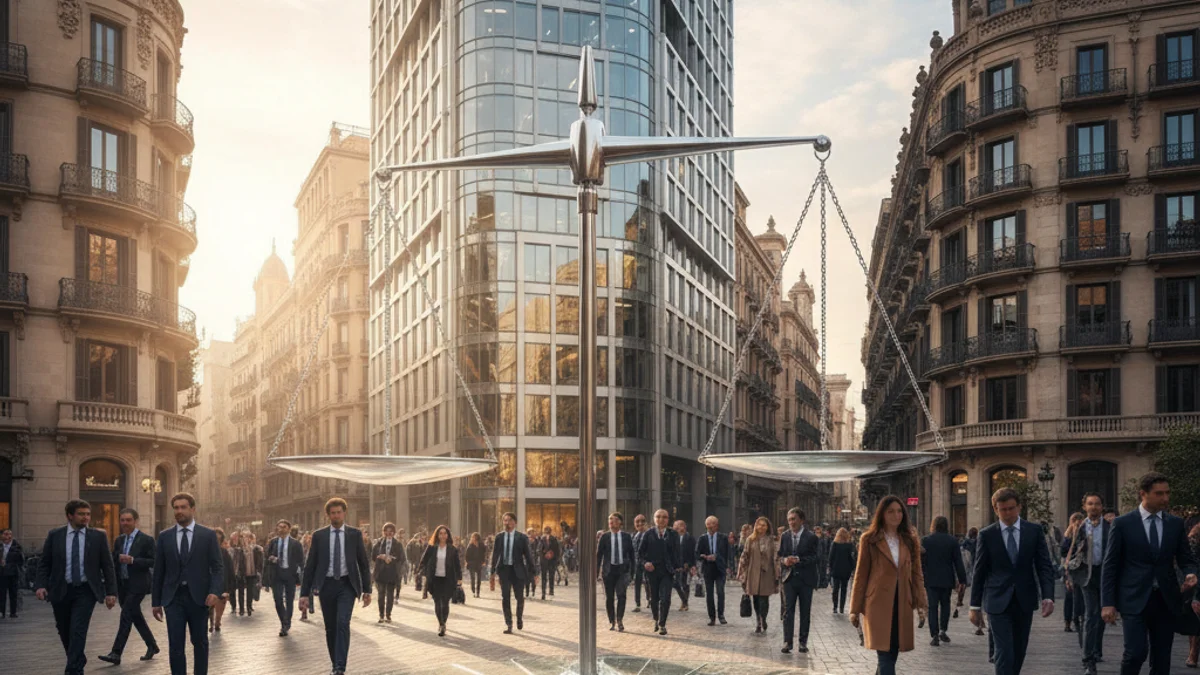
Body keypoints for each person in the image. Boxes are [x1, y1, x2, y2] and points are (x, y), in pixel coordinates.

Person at [1101, 471, 1199, 675]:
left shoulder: (1175, 524)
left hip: (1166, 599)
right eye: (1159, 493)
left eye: (1167, 493)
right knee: (1135, 653)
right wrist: (1107, 603)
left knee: (1162, 658)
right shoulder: (1123, 524)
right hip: (1133, 599)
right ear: (1143, 494)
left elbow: (1186, 558)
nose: (1165, 498)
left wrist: (1190, 572)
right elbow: (1110, 565)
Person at [969, 487, 1056, 675]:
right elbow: (979, 571)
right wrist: (974, 606)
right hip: (997, 600)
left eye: (1011, 508)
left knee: (1018, 651)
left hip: (1024, 599)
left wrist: (1048, 596)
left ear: (1019, 507)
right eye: (1003, 509)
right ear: (995, 509)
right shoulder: (987, 534)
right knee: (1004, 652)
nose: (1007, 513)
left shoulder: (1033, 531)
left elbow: (1044, 566)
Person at [34, 499, 118, 675]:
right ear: (70, 515)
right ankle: (77, 657)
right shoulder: (55, 535)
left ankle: (73, 669)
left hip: (86, 591)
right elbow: (44, 563)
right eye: (81, 514)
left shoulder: (98, 536)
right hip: (60, 589)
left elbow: (107, 565)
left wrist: (111, 592)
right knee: (64, 629)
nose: (86, 517)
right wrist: (41, 585)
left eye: (88, 514)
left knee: (78, 629)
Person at [849, 495, 928, 675]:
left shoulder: (909, 539)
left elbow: (917, 574)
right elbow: (861, 575)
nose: (896, 515)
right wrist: (854, 608)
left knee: (892, 653)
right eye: (891, 511)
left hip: (902, 603)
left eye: (899, 511)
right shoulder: (869, 539)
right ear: (882, 514)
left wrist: (921, 603)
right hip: (877, 603)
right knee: (884, 656)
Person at [150, 492, 223, 675]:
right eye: (176, 508)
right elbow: (159, 571)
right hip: (173, 599)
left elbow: (217, 567)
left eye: (183, 507)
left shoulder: (207, 535)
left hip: (199, 598)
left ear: (192, 509)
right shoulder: (165, 536)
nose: (179, 511)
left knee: (200, 643)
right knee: (175, 646)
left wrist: (215, 591)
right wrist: (155, 601)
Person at [299, 497, 372, 675]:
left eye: (339, 512)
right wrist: (304, 594)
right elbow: (310, 566)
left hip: (347, 585)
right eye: (333, 513)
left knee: (342, 623)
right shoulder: (319, 535)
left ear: (344, 513)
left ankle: (340, 667)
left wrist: (367, 590)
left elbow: (363, 563)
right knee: (330, 627)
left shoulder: (354, 534)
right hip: (326, 586)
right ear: (328, 515)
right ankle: (335, 664)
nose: (336, 516)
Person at [98, 508, 160, 665]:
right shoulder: (119, 540)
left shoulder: (146, 539)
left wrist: (133, 560)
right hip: (123, 585)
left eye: (128, 520)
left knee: (126, 615)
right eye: (122, 520)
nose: (125, 523)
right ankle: (152, 645)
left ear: (135, 521)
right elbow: (113, 562)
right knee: (135, 616)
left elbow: (154, 561)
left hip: (139, 585)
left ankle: (116, 653)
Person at [778, 507, 820, 654]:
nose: (791, 522)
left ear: (801, 520)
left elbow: (816, 557)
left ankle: (803, 642)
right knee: (788, 612)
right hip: (789, 579)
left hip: (806, 580)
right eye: (789, 519)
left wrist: (799, 560)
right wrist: (784, 560)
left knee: (805, 611)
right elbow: (779, 556)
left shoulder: (811, 537)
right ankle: (787, 642)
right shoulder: (784, 536)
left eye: (794, 519)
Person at [921, 515, 966, 646]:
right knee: (945, 605)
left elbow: (921, 561)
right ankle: (943, 630)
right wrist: (962, 579)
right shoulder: (952, 541)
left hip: (931, 579)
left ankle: (934, 634)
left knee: (932, 607)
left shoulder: (926, 540)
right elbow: (958, 562)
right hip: (947, 579)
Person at [491, 512, 535, 634]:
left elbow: (528, 555)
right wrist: (492, 571)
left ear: (515, 522)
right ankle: (509, 623)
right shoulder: (499, 537)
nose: (507, 523)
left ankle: (519, 618)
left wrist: (534, 572)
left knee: (519, 597)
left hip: (518, 572)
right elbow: (495, 555)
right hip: (504, 571)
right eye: (505, 520)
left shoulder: (522, 537)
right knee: (505, 597)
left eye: (509, 520)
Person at [638, 508, 680, 636]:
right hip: (652, 571)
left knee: (665, 598)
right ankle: (656, 618)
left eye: (664, 517)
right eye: (658, 517)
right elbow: (639, 554)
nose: (661, 519)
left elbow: (677, 553)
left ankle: (662, 624)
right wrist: (645, 563)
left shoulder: (673, 534)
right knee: (654, 598)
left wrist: (678, 567)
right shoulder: (648, 534)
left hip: (667, 571)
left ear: (668, 519)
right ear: (654, 519)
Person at [737, 516, 778, 636]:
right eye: (759, 524)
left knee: (764, 599)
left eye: (764, 525)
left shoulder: (772, 540)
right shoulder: (751, 539)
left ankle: (763, 618)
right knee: (755, 598)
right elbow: (745, 555)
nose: (761, 527)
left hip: (767, 573)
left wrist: (777, 573)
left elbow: (776, 557)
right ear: (756, 526)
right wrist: (740, 571)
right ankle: (758, 621)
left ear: (767, 527)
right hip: (753, 572)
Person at [419, 525, 462, 637]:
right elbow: (424, 560)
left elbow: (457, 565)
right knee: (437, 602)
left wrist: (459, 578)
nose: (443, 536)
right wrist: (421, 572)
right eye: (440, 533)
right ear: (437, 535)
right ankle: (441, 624)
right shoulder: (432, 547)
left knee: (445, 603)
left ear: (448, 535)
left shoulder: (452, 549)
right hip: (435, 579)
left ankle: (444, 622)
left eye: (445, 533)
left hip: (448, 579)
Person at [265, 520, 303, 636]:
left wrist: (299, 574)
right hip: (277, 575)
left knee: (290, 600)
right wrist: (271, 558)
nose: (281, 529)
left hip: (290, 575)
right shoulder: (273, 542)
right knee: (278, 599)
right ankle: (284, 621)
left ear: (289, 529)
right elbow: (266, 557)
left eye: (284, 527)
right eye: (279, 527)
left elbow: (301, 561)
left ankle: (286, 623)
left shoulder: (296, 544)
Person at [597, 512, 634, 632]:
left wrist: (631, 573)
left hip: (622, 571)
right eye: (610, 520)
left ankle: (620, 620)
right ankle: (611, 620)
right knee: (609, 597)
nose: (611, 522)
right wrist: (596, 572)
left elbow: (632, 556)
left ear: (620, 522)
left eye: (614, 520)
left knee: (622, 596)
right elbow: (599, 556)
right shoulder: (605, 537)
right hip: (608, 571)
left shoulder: (626, 537)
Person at [696, 515, 730, 625]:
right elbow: (696, 553)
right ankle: (712, 617)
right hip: (708, 569)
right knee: (709, 594)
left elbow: (728, 553)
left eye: (713, 524)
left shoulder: (723, 538)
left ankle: (721, 615)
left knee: (720, 592)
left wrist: (719, 559)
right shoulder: (702, 538)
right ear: (706, 525)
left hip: (720, 568)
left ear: (717, 526)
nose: (711, 526)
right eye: (709, 524)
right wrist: (704, 556)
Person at [372, 523, 405, 624]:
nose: (389, 533)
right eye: (386, 531)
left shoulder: (398, 544)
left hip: (392, 572)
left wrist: (391, 559)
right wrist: (381, 557)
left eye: (391, 531)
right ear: (384, 532)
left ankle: (388, 615)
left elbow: (401, 558)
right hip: (381, 572)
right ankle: (381, 615)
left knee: (390, 595)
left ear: (394, 533)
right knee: (381, 594)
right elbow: (373, 556)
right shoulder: (378, 543)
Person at [1061, 512, 1085, 640]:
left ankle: (1079, 619)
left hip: (1081, 569)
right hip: (1069, 569)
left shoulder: (1084, 534)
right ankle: (1068, 622)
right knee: (1069, 596)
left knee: (1079, 596)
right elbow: (1063, 552)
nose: (1077, 523)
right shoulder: (1068, 535)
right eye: (1075, 520)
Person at [209, 528, 234, 633]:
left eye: (218, 539)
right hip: (209, 582)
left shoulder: (224, 553)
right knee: (210, 605)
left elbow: (230, 569)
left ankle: (217, 621)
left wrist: (229, 587)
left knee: (220, 604)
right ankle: (211, 623)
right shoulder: (205, 552)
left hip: (222, 582)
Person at [233, 532, 262, 616]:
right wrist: (235, 572)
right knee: (241, 591)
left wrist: (258, 571)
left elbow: (259, 561)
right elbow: (235, 562)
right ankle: (241, 609)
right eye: (243, 538)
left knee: (250, 591)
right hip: (241, 572)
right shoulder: (238, 549)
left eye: (247, 538)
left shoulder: (255, 549)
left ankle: (249, 607)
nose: (245, 539)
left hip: (251, 572)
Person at [828, 527, 855, 614]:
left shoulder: (834, 544)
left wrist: (830, 567)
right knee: (844, 589)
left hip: (836, 570)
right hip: (846, 570)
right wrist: (852, 568)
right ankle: (841, 608)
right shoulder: (849, 545)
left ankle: (835, 607)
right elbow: (851, 558)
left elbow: (831, 557)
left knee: (835, 589)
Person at [673, 520, 696, 612]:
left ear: (684, 526)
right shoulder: (674, 538)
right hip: (676, 565)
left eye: (679, 525)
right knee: (676, 583)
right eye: (675, 525)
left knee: (685, 584)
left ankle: (685, 603)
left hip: (686, 565)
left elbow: (693, 553)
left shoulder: (690, 538)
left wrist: (690, 564)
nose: (677, 527)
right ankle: (684, 600)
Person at [1, 528, 24, 618]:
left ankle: (13, 612)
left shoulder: (16, 547)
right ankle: (1, 611)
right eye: (5, 534)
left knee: (13, 593)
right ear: (2, 536)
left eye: (9, 534)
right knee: (1, 593)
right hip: (1, 573)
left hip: (13, 573)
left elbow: (21, 560)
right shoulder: (0, 546)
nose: (8, 536)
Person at [957, 527, 978, 620]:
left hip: (965, 563)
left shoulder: (965, 542)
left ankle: (960, 599)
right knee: (974, 582)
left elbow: (960, 549)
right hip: (975, 564)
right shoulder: (978, 541)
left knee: (963, 583)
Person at [631, 514, 648, 613]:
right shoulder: (633, 535)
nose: (640, 523)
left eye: (642, 521)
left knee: (648, 583)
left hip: (647, 563)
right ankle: (637, 604)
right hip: (637, 564)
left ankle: (649, 600)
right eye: (637, 522)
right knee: (637, 583)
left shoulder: (649, 534)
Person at [1188, 522, 1200, 668]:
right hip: (1198, 581)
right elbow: (1189, 560)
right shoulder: (1196, 531)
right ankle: (1193, 653)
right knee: (1196, 620)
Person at [538, 525, 560, 600]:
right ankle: (543, 592)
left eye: (548, 531)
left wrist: (554, 556)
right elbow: (539, 550)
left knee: (551, 576)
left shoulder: (554, 539)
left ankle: (551, 590)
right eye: (546, 531)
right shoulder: (542, 539)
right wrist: (544, 553)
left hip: (552, 561)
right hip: (544, 561)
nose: (547, 533)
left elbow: (557, 551)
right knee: (544, 577)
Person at [465, 533, 485, 598]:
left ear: (477, 538)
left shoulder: (481, 545)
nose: (473, 538)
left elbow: (484, 553)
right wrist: (468, 562)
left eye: (474, 537)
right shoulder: (470, 546)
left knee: (479, 579)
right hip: (472, 564)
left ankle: (478, 592)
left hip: (479, 564)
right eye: (472, 537)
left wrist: (483, 561)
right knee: (473, 578)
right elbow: (466, 556)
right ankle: (473, 591)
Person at [299, 532, 313, 622]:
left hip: (312, 573)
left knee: (310, 592)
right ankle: (304, 611)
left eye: (309, 539)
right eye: (306, 538)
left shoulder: (315, 549)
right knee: (304, 592)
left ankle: (310, 607)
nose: (307, 540)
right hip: (303, 573)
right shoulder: (301, 549)